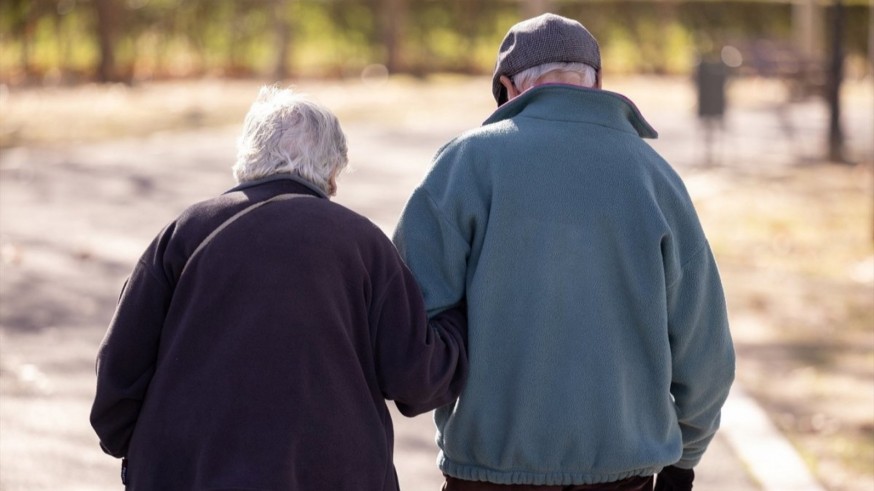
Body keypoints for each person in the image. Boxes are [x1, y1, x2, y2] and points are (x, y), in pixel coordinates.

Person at [392, 13, 735, 491]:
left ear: (509, 88)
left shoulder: (465, 165)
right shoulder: (655, 178)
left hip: (487, 473)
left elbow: (408, 321)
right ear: (595, 84)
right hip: (623, 475)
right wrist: (684, 460)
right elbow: (706, 352)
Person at [90, 86, 468, 491]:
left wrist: (152, 457)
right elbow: (416, 377)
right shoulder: (364, 244)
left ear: (248, 158)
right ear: (332, 173)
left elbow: (119, 375)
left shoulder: (187, 232)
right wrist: (460, 323)